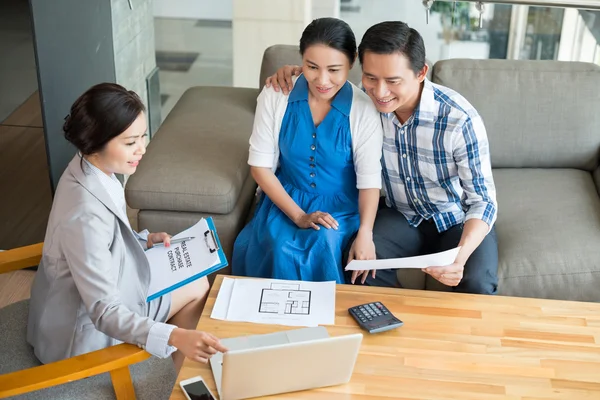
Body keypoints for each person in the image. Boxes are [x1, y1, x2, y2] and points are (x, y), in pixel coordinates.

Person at [266, 21, 498, 294]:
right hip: (399, 216)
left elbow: (483, 201)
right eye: (371, 78)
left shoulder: (459, 119)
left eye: (393, 81)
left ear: (421, 72)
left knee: (477, 282)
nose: (380, 91)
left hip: (454, 219)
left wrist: (462, 254)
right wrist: (294, 73)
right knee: (358, 267)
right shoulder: (361, 103)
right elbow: (324, 79)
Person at [27, 83, 227, 371]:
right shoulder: (85, 215)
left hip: (76, 303)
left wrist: (142, 239)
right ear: (96, 140)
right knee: (196, 285)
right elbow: (104, 312)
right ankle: (171, 376)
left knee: (193, 273)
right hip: (81, 336)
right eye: (131, 142)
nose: (142, 149)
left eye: (142, 137)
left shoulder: (90, 168)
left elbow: (102, 239)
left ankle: (172, 369)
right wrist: (176, 335)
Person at [232, 17, 383, 284]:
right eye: (312, 67)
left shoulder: (363, 109)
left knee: (322, 241)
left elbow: (370, 181)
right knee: (280, 247)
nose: (322, 80)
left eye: (334, 69)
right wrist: (299, 215)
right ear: (301, 59)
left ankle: (325, 323)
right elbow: (260, 166)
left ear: (352, 61)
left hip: (342, 207)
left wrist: (366, 234)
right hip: (286, 199)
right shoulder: (276, 94)